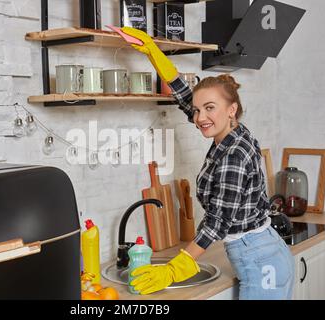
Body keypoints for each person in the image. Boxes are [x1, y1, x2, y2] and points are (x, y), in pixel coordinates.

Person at [121, 27, 295, 300]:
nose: (200, 116)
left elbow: (217, 223)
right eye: (199, 109)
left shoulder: (233, 154)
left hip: (261, 262)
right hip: (261, 250)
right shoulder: (233, 131)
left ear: (231, 109)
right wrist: (153, 52)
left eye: (209, 108)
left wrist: (173, 270)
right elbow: (185, 97)